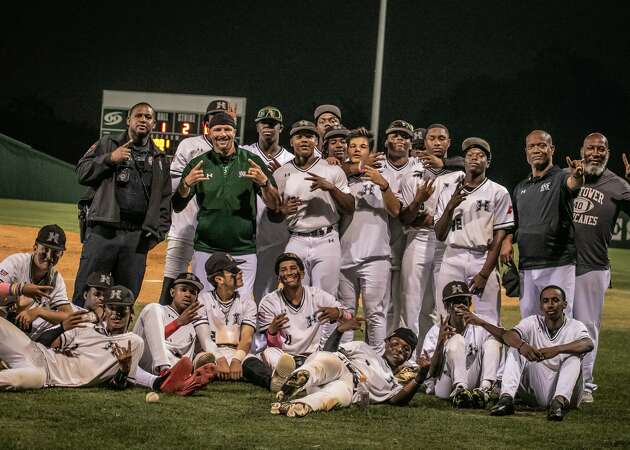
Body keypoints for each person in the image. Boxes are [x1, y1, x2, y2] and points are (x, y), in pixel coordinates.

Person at [172, 112, 280, 301]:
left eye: (227, 129)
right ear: (210, 132)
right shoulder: (198, 164)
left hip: (243, 249)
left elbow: (274, 205)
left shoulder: (250, 161)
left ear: (234, 132)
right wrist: (186, 185)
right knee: (204, 304)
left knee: (242, 304)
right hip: (206, 248)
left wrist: (264, 183)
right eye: (218, 129)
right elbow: (178, 205)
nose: (223, 134)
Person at [74, 102, 171, 305]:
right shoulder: (108, 144)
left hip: (136, 240)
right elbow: (82, 172)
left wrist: (157, 233)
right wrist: (110, 158)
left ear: (153, 123)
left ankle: (119, 337)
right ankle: (77, 335)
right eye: (138, 116)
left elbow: (165, 199)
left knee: (125, 299)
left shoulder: (160, 158)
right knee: (87, 292)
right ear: (128, 120)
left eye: (148, 117)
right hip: (103, 232)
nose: (143, 120)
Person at [464, 285, 593, 421]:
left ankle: (558, 403)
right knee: (516, 349)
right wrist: (522, 345)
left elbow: (588, 344)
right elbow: (508, 335)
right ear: (540, 305)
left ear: (564, 304)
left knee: (573, 358)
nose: (550, 305)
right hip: (538, 389)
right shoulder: (532, 322)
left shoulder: (575, 326)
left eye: (555, 300)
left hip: (569, 395)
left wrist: (557, 349)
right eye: (546, 301)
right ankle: (506, 399)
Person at [570, 132, 630, 402]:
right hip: (559, 264)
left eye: (601, 149)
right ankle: (552, 382)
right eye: (590, 148)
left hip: (592, 266)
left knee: (587, 326)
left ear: (608, 152)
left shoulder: (617, 184)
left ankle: (585, 384)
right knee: (552, 324)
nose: (595, 153)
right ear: (581, 150)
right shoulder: (566, 177)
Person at [501, 130, 584, 318]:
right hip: (527, 265)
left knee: (560, 320)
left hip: (558, 264)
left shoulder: (561, 177)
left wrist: (578, 176)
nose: (536, 149)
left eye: (542, 145)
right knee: (529, 321)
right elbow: (513, 223)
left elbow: (574, 184)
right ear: (526, 152)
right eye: (532, 146)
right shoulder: (521, 187)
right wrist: (507, 240)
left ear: (551, 149)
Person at [159, 99, 234, 305]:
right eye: (213, 117)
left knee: (210, 284)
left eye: (223, 117)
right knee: (173, 279)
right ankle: (163, 327)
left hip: (213, 231)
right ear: (206, 123)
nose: (218, 120)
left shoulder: (236, 150)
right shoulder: (189, 145)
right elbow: (174, 185)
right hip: (184, 225)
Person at [0, 285, 144, 390]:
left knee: (13, 380)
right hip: (34, 351)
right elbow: (40, 343)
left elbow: (119, 386)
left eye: (121, 309)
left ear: (131, 311)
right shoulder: (85, 327)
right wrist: (62, 327)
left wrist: (124, 370)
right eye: (112, 308)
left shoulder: (133, 343)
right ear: (105, 310)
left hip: (45, 375)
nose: (116, 314)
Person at [397, 124, 464, 351]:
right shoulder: (412, 173)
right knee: (411, 302)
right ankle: (410, 358)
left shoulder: (458, 173)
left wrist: (432, 217)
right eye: (432, 138)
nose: (437, 142)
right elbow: (406, 217)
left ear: (449, 142)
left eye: (441, 138)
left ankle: (435, 355)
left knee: (437, 305)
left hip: (446, 242)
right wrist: (418, 205)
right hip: (418, 239)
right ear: (424, 142)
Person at [434, 138, 514, 324]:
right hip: (452, 257)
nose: (474, 158)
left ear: (488, 162)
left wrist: (485, 274)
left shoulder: (498, 192)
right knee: (445, 318)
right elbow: (439, 234)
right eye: (470, 155)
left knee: (488, 320)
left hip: (482, 257)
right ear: (464, 160)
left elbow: (499, 237)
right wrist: (450, 207)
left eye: (480, 156)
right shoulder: (448, 190)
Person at [271, 120, 354, 297]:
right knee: (294, 294)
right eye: (299, 136)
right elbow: (273, 215)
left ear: (316, 141)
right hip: (296, 239)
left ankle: (325, 326)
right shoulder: (280, 174)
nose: (304, 140)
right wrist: (281, 210)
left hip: (327, 239)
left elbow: (349, 207)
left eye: (309, 136)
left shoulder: (332, 170)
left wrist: (331, 188)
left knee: (325, 297)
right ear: (291, 142)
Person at [271, 325, 430, 417]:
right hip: (340, 364)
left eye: (406, 349)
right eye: (396, 343)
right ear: (387, 342)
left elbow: (398, 400)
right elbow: (330, 352)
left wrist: (420, 377)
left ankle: (298, 405)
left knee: (335, 395)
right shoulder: (363, 347)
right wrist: (339, 330)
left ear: (409, 356)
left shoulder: (393, 383)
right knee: (323, 362)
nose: (399, 350)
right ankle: (300, 377)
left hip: (351, 386)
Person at [244, 253, 349, 392]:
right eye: (283, 270)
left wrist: (339, 313)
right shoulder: (269, 302)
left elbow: (349, 317)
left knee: (331, 358)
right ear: (278, 276)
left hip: (313, 356)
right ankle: (296, 378)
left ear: (302, 272)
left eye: (293, 268)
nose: (288, 273)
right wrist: (272, 331)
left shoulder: (317, 296)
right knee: (260, 356)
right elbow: (271, 344)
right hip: (283, 358)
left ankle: (288, 379)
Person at [338, 127, 401, 353]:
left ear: (370, 151)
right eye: (353, 146)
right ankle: (343, 358)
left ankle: (377, 360)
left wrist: (383, 184)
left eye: (362, 146)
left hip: (376, 256)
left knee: (375, 312)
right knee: (345, 312)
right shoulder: (341, 176)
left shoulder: (385, 174)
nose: (357, 149)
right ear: (346, 149)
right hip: (344, 255)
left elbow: (395, 211)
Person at [241, 106, 295, 302]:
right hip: (245, 233)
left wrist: (283, 174)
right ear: (257, 126)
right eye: (265, 123)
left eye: (273, 124)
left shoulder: (291, 160)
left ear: (280, 128)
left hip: (276, 236)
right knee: (242, 289)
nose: (268, 128)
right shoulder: (243, 153)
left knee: (267, 291)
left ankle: (265, 332)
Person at [132, 272, 219, 392]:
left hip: (176, 366)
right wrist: (177, 323)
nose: (188, 295)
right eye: (183, 290)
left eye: (193, 292)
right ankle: (167, 372)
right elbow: (149, 340)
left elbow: (201, 353)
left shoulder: (196, 323)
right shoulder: (159, 312)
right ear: (172, 292)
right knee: (153, 307)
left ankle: (185, 381)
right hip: (146, 358)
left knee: (184, 361)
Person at [421, 281, 503, 408]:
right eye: (455, 302)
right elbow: (431, 376)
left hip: (476, 381)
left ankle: (485, 390)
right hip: (446, 384)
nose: (460, 306)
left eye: (463, 301)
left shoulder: (482, 323)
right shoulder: (435, 331)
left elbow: (506, 339)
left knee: (493, 341)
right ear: (447, 306)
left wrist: (482, 323)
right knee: (457, 339)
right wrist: (439, 344)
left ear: (470, 303)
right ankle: (460, 391)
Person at [378, 120, 418, 334]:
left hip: (409, 245)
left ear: (411, 143)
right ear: (386, 141)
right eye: (395, 135)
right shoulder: (375, 164)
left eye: (404, 136)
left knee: (408, 303)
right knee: (380, 306)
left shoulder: (420, 167)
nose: (399, 139)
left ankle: (403, 349)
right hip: (378, 245)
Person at [0, 224, 72, 340]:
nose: (49, 256)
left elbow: (68, 315)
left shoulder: (56, 280)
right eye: (45, 249)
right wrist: (21, 289)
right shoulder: (16, 263)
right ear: (35, 247)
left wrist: (39, 311)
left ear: (61, 254)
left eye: (55, 252)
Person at [197, 252, 258, 381]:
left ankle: (273, 382)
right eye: (233, 270)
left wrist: (236, 360)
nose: (240, 272)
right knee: (202, 360)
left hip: (237, 352)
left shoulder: (248, 302)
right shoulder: (202, 301)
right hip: (211, 353)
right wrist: (220, 358)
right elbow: (205, 339)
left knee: (254, 363)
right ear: (219, 279)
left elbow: (246, 339)